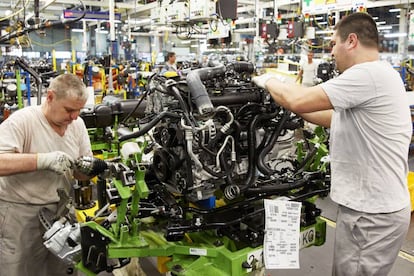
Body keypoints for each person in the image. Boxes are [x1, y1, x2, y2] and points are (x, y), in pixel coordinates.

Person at [253, 12, 412, 276]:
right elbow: (326, 116)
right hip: (373, 211)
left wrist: (269, 80)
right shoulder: (382, 74)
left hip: (371, 216)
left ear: (351, 41)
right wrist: (287, 103)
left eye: (334, 44)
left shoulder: (367, 75)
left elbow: (300, 101)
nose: (332, 52)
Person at [0, 73, 92, 275]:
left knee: (63, 269)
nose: (74, 116)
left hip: (62, 212)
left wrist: (87, 170)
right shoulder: (23, 121)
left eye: (79, 110)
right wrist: (42, 160)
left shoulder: (77, 125)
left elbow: (82, 174)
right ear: (50, 97)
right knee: (19, 269)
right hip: (21, 214)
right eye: (69, 109)